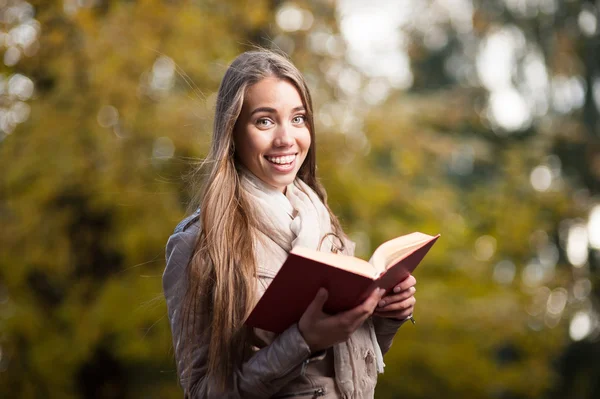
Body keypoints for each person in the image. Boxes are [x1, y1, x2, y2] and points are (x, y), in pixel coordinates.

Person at [163, 50, 417, 398]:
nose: (286, 138)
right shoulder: (200, 243)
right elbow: (204, 391)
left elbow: (344, 376)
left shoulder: (323, 224)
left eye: (298, 119)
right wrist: (303, 341)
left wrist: (387, 316)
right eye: (265, 121)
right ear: (233, 132)